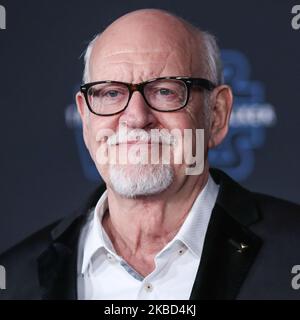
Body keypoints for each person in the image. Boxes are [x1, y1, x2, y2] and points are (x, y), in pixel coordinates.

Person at [1, 9, 300, 300]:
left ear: (217, 115)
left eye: (165, 91)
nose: (135, 117)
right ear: (85, 117)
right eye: (111, 93)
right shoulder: (14, 279)